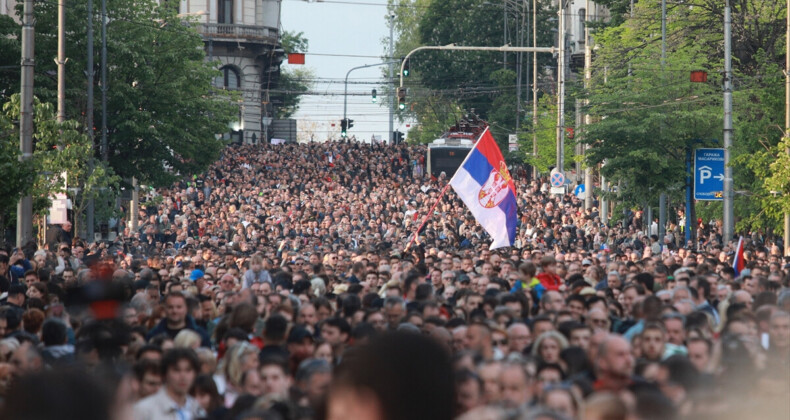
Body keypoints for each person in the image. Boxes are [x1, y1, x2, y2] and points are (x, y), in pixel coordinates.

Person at [134, 348, 205, 420]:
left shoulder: (197, 408)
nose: (183, 376)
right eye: (176, 370)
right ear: (165, 374)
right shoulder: (144, 409)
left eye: (188, 370)